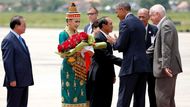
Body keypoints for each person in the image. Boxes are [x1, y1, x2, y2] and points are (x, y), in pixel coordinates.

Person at [113, 2, 149, 107]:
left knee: (124, 98)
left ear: (122, 9)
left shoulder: (125, 23)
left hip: (131, 67)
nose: (117, 15)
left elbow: (121, 46)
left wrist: (114, 42)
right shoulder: (140, 23)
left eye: (117, 12)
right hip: (143, 66)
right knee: (140, 99)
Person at [149, 4, 183, 107]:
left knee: (162, 99)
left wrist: (165, 65)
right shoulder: (165, 24)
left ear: (157, 14)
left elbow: (166, 47)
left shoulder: (165, 25)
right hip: (169, 67)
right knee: (169, 99)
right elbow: (155, 47)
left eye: (151, 15)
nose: (150, 18)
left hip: (166, 69)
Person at [58, 3, 89, 107]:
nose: (78, 24)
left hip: (80, 66)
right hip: (69, 67)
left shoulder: (78, 33)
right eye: (76, 21)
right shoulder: (63, 34)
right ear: (68, 21)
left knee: (80, 92)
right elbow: (63, 53)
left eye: (79, 21)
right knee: (70, 93)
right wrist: (75, 62)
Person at [88, 16, 122, 107]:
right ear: (103, 25)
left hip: (105, 75)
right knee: (98, 102)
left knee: (106, 101)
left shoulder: (105, 36)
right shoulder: (99, 37)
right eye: (110, 24)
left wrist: (113, 74)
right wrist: (123, 62)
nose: (112, 26)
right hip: (99, 75)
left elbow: (108, 60)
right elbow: (106, 56)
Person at [1, 15, 34, 107]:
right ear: (16, 26)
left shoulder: (20, 39)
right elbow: (8, 62)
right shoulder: (8, 40)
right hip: (15, 81)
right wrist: (12, 79)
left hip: (23, 80)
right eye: (23, 25)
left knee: (22, 104)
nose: (25, 27)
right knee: (13, 104)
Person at [137, 8, 158, 107]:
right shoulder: (134, 30)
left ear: (149, 17)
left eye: (143, 17)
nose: (141, 19)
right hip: (139, 67)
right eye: (139, 17)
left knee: (152, 91)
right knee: (139, 92)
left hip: (151, 66)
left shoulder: (155, 29)